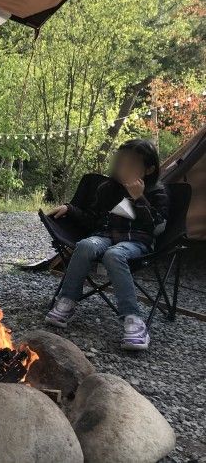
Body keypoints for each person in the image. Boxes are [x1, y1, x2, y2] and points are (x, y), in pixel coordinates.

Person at [45, 139, 168, 351]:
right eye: (120, 162)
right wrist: (71, 209)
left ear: (149, 169)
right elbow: (94, 220)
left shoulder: (156, 192)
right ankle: (67, 300)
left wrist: (139, 199)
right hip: (104, 235)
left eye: (131, 164)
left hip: (135, 241)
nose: (123, 168)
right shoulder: (107, 189)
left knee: (114, 255)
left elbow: (157, 227)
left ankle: (134, 320)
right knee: (85, 245)